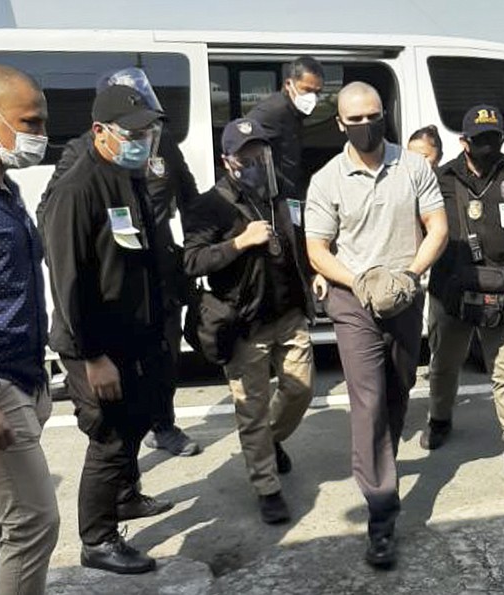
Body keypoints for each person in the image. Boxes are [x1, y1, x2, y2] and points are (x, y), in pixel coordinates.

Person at [305, 81, 448, 569]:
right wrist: (359, 281)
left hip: (404, 297)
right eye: (355, 119)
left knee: (398, 389)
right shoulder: (326, 179)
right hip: (352, 299)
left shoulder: (413, 168)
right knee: (367, 402)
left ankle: (381, 462)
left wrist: (409, 275)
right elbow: (318, 250)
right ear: (340, 124)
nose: (366, 125)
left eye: (373, 116)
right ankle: (382, 512)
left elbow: (439, 228)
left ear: (383, 115)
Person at [40, 84, 174, 574]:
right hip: (94, 345)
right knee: (110, 437)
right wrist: (93, 356)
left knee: (135, 420)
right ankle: (97, 539)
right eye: (134, 132)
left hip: (131, 337)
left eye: (149, 130)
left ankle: (125, 499)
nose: (144, 139)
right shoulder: (79, 188)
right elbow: (68, 280)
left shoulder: (127, 175)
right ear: (100, 132)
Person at [43, 67, 201, 459]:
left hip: (159, 268)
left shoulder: (163, 146)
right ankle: (122, 475)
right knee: (119, 403)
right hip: (120, 276)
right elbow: (51, 213)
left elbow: (191, 200)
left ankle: (164, 425)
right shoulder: (83, 152)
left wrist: (199, 246)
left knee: (165, 355)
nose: (142, 136)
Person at [182, 117, 317, 525]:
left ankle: (270, 440)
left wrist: (316, 277)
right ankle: (266, 486)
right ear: (229, 161)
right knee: (251, 409)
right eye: (247, 156)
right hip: (245, 323)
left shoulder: (283, 195)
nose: (257, 160)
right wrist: (239, 242)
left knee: (301, 390)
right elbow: (191, 260)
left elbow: (303, 242)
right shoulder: (210, 205)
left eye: (261, 152)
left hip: (289, 314)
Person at [422, 105, 504, 489]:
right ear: (463, 143)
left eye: (494, 138)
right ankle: (439, 419)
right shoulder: (442, 179)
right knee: (444, 365)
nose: (488, 146)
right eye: (480, 141)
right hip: (451, 290)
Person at [0, 64, 60, 595]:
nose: (39, 134)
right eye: (29, 120)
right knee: (33, 524)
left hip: (22, 378)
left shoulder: (4, 191)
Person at [245, 56, 324, 202]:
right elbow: (243, 144)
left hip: (286, 193)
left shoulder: (294, 112)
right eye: (306, 90)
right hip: (270, 198)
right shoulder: (274, 111)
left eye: (317, 93)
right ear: (289, 84)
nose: (312, 98)